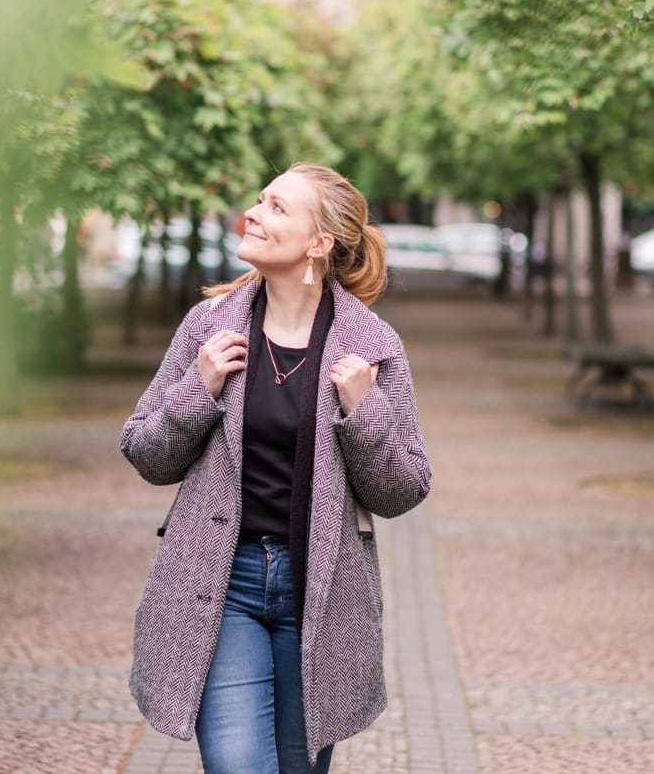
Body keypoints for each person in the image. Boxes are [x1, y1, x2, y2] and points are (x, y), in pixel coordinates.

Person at [120, 163, 431, 774]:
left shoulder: (371, 346)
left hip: (319, 592)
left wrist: (362, 410)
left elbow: (403, 489)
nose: (254, 213)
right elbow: (146, 453)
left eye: (278, 207)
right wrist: (198, 387)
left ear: (320, 243)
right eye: (260, 201)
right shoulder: (208, 329)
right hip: (220, 585)